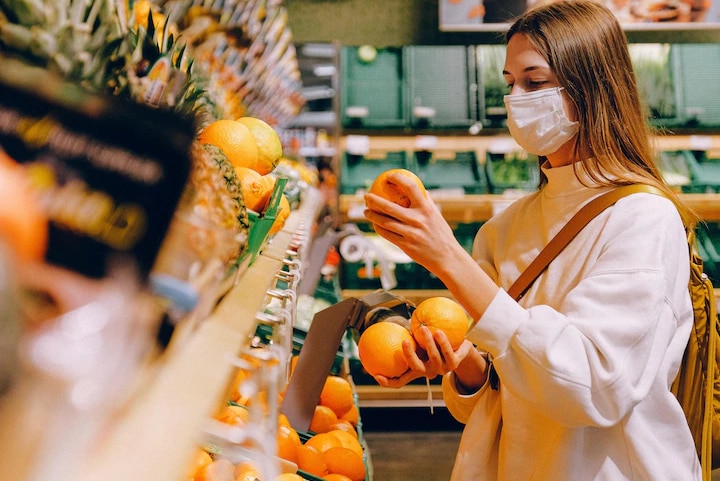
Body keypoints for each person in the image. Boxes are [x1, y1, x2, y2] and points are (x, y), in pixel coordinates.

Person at [362, 1, 702, 480]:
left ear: (592, 88)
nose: (516, 98)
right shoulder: (506, 228)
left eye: (535, 82)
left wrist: (446, 258)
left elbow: (591, 387)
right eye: (509, 83)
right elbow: (499, 390)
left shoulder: (643, 219)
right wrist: (458, 361)